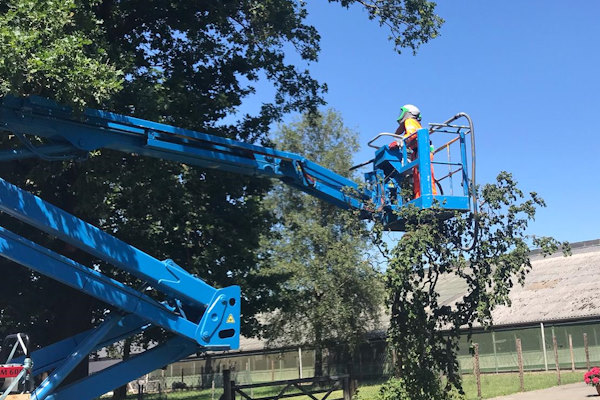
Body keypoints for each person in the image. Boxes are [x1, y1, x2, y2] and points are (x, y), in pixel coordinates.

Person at [389, 104, 437, 199]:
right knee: (417, 177)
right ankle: (418, 196)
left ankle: (431, 197)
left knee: (424, 176)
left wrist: (399, 143)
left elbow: (411, 134)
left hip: (423, 151)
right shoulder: (413, 122)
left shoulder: (410, 121)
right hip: (417, 151)